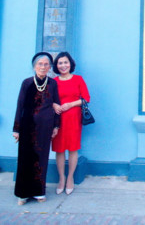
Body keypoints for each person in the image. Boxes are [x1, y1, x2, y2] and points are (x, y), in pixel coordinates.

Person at [13, 52, 61, 205]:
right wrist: (16, 129)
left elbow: (57, 105)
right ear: (34, 66)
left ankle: (39, 192)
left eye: (46, 64)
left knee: (41, 158)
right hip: (27, 126)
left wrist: (56, 125)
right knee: (25, 158)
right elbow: (20, 106)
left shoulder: (52, 84)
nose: (43, 67)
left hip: (45, 127)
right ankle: (23, 194)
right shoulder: (27, 83)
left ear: (50, 67)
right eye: (40, 64)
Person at [51, 51, 90, 195]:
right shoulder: (53, 81)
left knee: (73, 149)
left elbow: (86, 98)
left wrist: (71, 104)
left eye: (65, 62)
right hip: (58, 120)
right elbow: (49, 99)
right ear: (56, 65)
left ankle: (70, 178)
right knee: (59, 149)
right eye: (60, 63)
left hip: (74, 119)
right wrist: (55, 105)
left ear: (70, 64)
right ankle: (61, 178)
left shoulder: (78, 79)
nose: (63, 65)